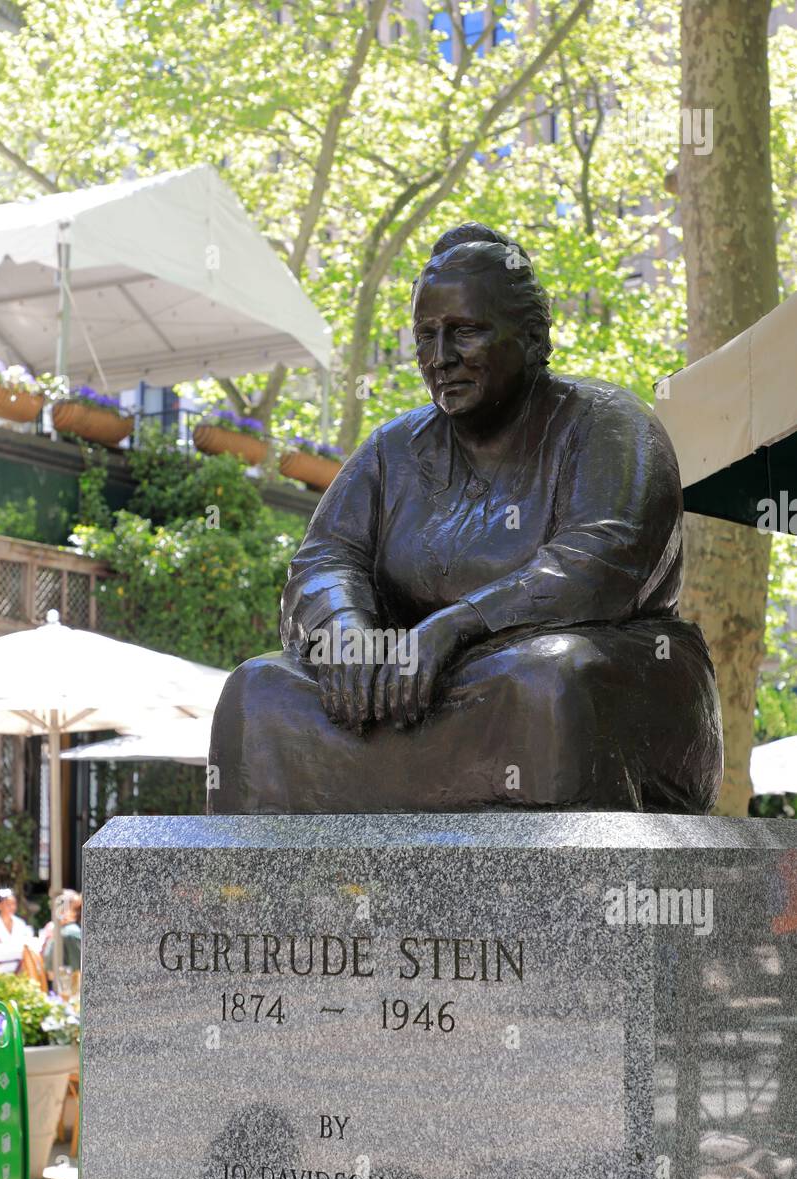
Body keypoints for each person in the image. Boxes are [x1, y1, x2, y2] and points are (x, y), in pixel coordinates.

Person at [209, 223, 723, 815]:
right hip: (406, 683)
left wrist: (455, 627)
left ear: (533, 339)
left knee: (551, 678)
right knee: (257, 692)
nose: (440, 358)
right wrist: (345, 632)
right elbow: (326, 558)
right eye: (426, 335)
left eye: (466, 333)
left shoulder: (610, 426)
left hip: (575, 677)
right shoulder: (390, 450)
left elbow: (602, 561)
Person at [0, 886, 38, 974]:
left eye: (14, 904)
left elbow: (26, 945)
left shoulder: (20, 923)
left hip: (19, 968)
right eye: (8, 904)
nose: (12, 907)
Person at [40, 890, 82, 983]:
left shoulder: (58, 929)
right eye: (76, 909)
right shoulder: (71, 932)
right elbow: (78, 969)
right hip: (65, 984)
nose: (78, 913)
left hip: (53, 981)